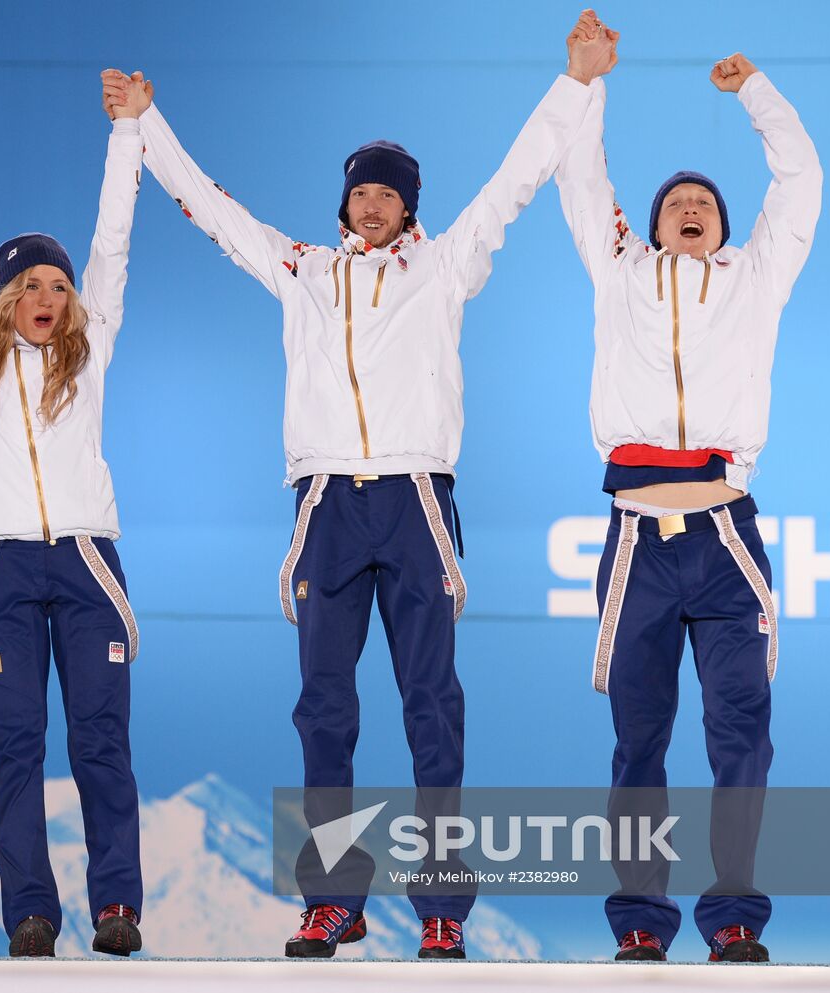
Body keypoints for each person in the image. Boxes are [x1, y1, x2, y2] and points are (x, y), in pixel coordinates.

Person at [103, 11, 615, 959]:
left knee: (432, 702)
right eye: (360, 194)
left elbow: (517, 179)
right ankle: (333, 898)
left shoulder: (446, 266)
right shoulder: (303, 270)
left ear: (410, 207)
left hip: (416, 499)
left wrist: (578, 83)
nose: (372, 206)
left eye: (388, 194)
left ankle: (443, 905)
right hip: (328, 504)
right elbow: (214, 210)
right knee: (324, 706)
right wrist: (143, 124)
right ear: (342, 205)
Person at [554, 27, 822, 961]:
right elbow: (581, 181)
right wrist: (585, 86)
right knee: (639, 743)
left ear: (723, 222)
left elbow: (801, 185)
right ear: (657, 222)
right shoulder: (618, 270)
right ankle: (638, 925)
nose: (694, 208)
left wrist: (756, 94)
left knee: (741, 732)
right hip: (637, 538)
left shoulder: (755, 278)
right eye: (679, 202)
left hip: (725, 534)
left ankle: (736, 916)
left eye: (707, 201)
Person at [0, 72, 145, 958]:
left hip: (88, 562)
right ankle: (31, 910)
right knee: (13, 744)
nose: (50, 292)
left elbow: (115, 242)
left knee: (100, 740)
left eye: (60, 282)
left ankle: (116, 908)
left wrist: (127, 134)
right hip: (3, 568)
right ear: (3, 299)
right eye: (31, 283)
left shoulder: (87, 358)